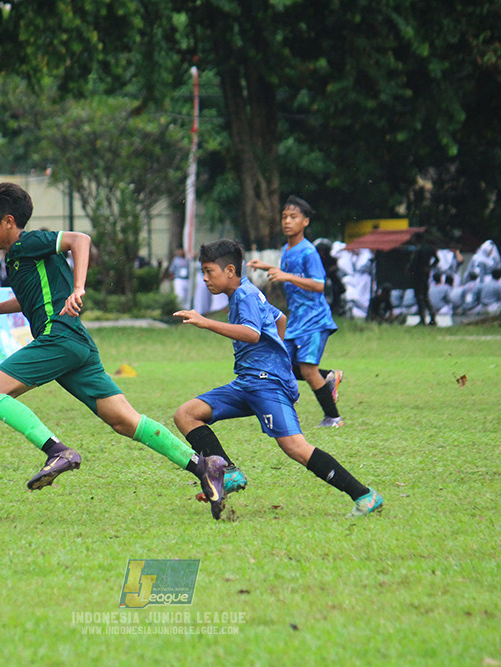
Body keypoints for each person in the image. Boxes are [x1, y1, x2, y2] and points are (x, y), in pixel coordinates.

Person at [0, 183, 228, 519]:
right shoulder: (17, 260)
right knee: (125, 421)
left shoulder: (28, 242)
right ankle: (203, 467)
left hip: (59, 336)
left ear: (8, 221)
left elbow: (80, 240)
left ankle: (57, 451)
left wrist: (79, 287)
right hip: (75, 343)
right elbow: (29, 300)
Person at [174, 239, 383, 518]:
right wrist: (278, 360)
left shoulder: (246, 295)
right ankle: (228, 473)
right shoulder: (247, 293)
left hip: (266, 385)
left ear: (230, 271)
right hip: (248, 382)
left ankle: (365, 495)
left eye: (209, 271)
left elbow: (252, 333)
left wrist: (206, 322)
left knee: (295, 447)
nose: (205, 277)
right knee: (186, 414)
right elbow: (280, 319)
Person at [247, 195, 345, 432]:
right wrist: (268, 267)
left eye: (293, 217)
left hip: (315, 319)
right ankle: (329, 376)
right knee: (283, 363)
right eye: (284, 217)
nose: (287, 221)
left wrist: (285, 276)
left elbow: (318, 284)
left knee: (308, 369)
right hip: (297, 320)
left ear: (306, 222)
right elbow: (290, 272)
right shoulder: (287, 249)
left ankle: (334, 418)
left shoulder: (308, 251)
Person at [406, 231, 437, 326]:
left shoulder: (418, 249)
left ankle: (422, 318)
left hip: (418, 275)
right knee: (425, 296)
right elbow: (437, 260)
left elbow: (413, 263)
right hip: (426, 274)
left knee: (419, 297)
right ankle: (432, 317)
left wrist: (408, 271)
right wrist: (429, 266)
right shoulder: (429, 248)